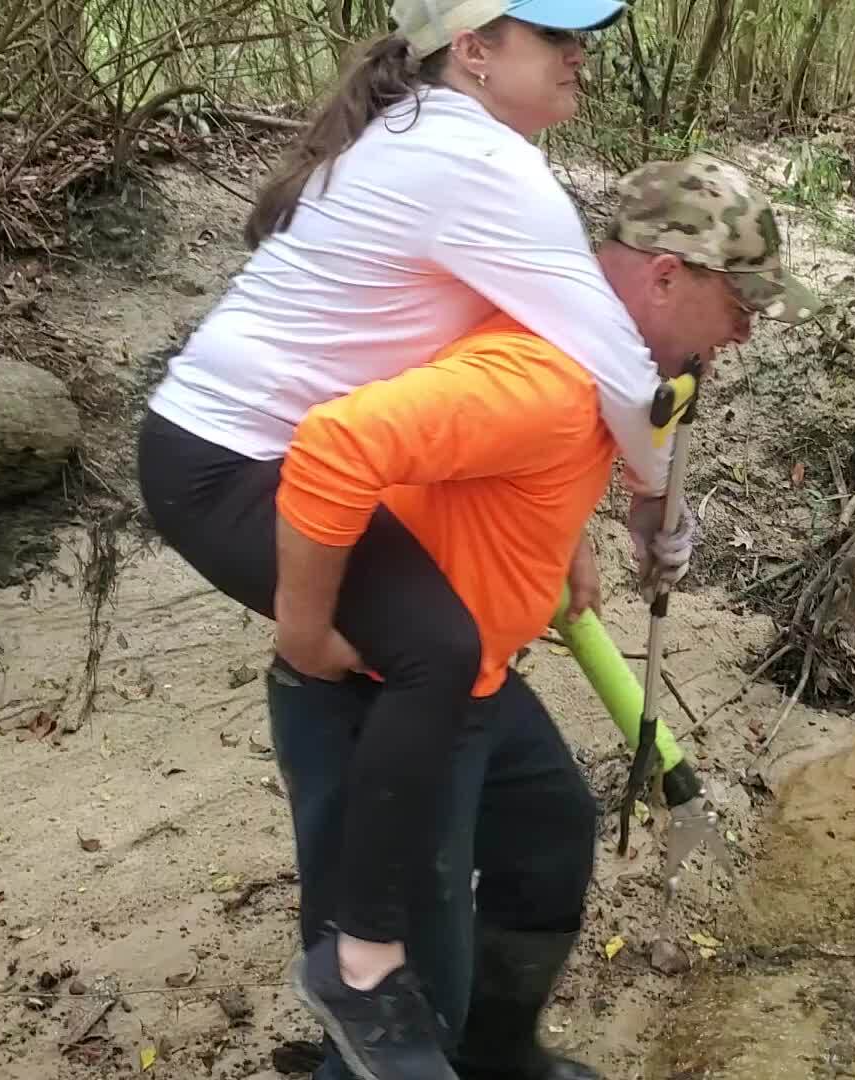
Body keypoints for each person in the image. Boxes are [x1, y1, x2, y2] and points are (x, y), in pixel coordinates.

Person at [135, 1, 695, 1069]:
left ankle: (472, 1034)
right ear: (473, 52)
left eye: (580, 34)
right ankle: (361, 967)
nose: (580, 53)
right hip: (228, 462)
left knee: (466, 686)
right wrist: (655, 507)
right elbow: (622, 370)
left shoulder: (425, 135)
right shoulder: (487, 166)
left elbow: (521, 349)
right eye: (551, 34)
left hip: (270, 451)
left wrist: (567, 527)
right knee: (432, 648)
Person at [269, 154, 817, 1080]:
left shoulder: (600, 357)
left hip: (473, 679)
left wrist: (578, 537)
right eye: (742, 309)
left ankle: (499, 1055)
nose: (747, 334)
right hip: (381, 701)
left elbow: (521, 468)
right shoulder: (543, 375)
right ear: (667, 276)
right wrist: (306, 634)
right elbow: (334, 447)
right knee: (406, 1004)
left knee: (550, 833)